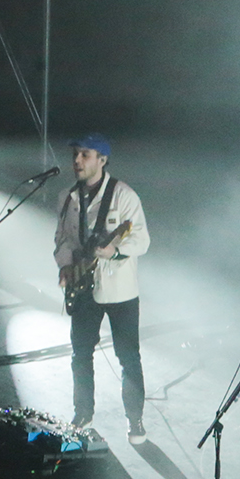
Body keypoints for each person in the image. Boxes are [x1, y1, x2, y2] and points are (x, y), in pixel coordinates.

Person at [52, 133, 151, 443]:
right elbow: (63, 239)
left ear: (102, 160)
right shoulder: (67, 197)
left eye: (85, 155)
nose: (77, 161)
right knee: (81, 354)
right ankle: (83, 412)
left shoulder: (124, 196)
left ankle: (135, 420)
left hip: (120, 291)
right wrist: (66, 266)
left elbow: (142, 240)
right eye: (75, 155)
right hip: (83, 289)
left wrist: (115, 252)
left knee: (128, 357)